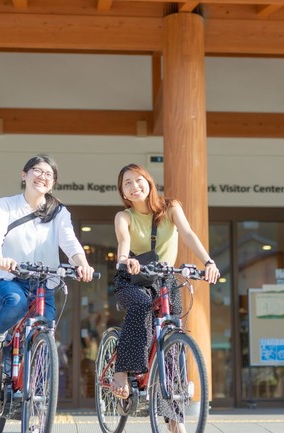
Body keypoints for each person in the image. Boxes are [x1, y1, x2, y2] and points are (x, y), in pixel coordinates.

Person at [112, 163, 219, 433]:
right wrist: (125, 261)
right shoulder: (123, 217)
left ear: (149, 182)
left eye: (139, 180)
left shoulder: (171, 208)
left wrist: (207, 262)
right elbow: (123, 242)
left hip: (165, 278)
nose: (134, 186)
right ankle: (122, 371)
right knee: (141, 307)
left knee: (172, 341)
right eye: (127, 183)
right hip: (133, 278)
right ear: (123, 192)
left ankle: (174, 418)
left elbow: (188, 234)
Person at [0, 154, 95, 370]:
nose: (43, 177)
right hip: (8, 278)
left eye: (49, 174)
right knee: (16, 303)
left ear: (53, 184)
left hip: (43, 283)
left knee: (45, 328)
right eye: (37, 171)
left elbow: (70, 242)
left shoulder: (58, 211)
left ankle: (31, 382)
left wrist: (82, 263)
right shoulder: (5, 205)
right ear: (25, 175)